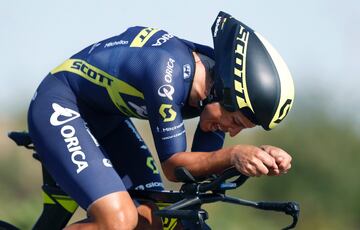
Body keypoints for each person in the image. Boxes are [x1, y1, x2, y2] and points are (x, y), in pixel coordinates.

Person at [27, 11, 294, 229]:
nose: (233, 132)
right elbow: (173, 166)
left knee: (162, 221)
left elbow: (197, 174)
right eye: (236, 121)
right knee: (118, 220)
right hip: (60, 103)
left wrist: (258, 157)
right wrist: (234, 154)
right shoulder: (166, 71)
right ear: (225, 93)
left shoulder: (212, 89)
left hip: (106, 119)